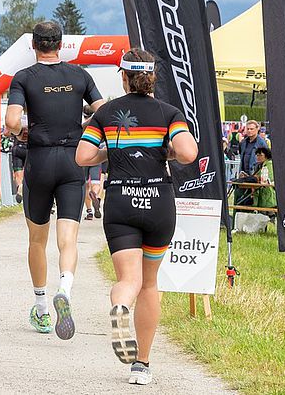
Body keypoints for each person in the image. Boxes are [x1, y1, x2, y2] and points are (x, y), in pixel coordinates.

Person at [76, 48, 198, 386]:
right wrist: (166, 150)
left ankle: (121, 307)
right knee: (149, 283)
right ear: (153, 78)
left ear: (124, 77)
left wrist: (112, 151)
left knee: (128, 281)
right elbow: (188, 153)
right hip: (158, 201)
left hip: (120, 201)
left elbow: (83, 156)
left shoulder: (106, 113)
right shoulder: (169, 112)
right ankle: (142, 364)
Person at [4, 20, 103, 340]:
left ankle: (43, 308)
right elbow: (103, 112)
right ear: (61, 45)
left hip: (40, 161)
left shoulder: (24, 78)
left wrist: (21, 131)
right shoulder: (80, 75)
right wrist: (84, 127)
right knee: (68, 238)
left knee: (37, 240)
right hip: (73, 161)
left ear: (34, 46)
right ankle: (66, 288)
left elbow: (11, 121)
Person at [254, 147, 276, 212]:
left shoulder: (269, 164)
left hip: (269, 196)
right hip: (264, 195)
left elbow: (269, 179)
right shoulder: (260, 165)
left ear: (266, 156)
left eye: (260, 155)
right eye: (257, 155)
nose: (258, 157)